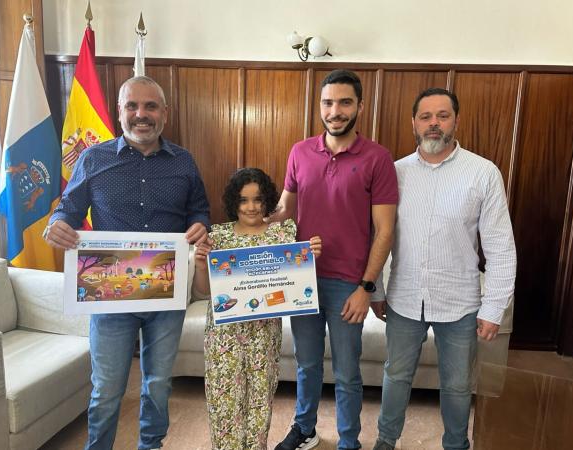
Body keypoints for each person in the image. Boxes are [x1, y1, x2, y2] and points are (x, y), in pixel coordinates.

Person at [44, 75, 210, 450]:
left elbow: (199, 210)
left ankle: (151, 445)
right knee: (106, 389)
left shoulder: (184, 162)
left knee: (158, 384)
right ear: (119, 111)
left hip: (166, 294)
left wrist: (201, 224)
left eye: (150, 106)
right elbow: (68, 209)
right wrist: (57, 225)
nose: (141, 114)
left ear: (164, 113)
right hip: (109, 297)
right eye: (132, 106)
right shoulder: (93, 158)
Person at [371, 88, 517, 450]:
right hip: (404, 297)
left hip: (460, 302)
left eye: (442, 115)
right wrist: (376, 288)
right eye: (425, 116)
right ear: (414, 123)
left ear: (456, 120)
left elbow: (500, 246)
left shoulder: (483, 173)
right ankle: (386, 440)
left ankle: (455, 444)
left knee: (457, 385)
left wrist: (494, 308)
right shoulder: (394, 173)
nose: (433, 123)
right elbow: (377, 236)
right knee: (396, 375)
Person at [271, 70, 398, 450]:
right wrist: (239, 230)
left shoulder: (378, 158)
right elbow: (283, 211)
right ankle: (305, 428)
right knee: (306, 365)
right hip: (302, 278)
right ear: (320, 106)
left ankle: (348, 441)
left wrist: (366, 288)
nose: (335, 111)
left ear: (360, 106)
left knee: (346, 373)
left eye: (344, 102)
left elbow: (385, 231)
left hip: (348, 284)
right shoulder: (299, 152)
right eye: (328, 102)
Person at [192, 168, 322, 450]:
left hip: (264, 336)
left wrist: (309, 257)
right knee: (225, 403)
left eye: (258, 199)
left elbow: (295, 284)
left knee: (259, 405)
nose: (251, 207)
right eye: (243, 200)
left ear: (267, 200)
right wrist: (201, 266)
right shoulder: (218, 237)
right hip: (223, 337)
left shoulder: (282, 234)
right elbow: (204, 291)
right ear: (233, 202)